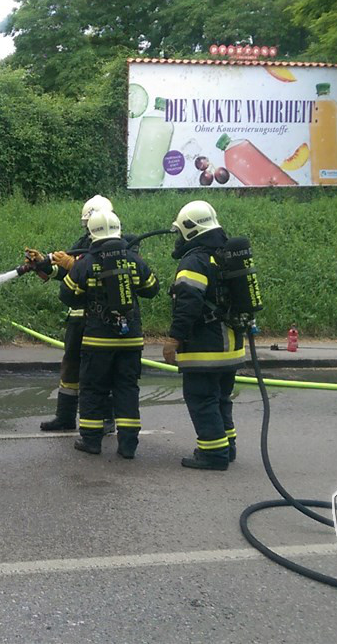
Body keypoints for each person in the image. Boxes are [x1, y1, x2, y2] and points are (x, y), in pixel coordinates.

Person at [53, 209, 159, 457]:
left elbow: (66, 296)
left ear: (91, 233)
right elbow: (152, 289)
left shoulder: (86, 264)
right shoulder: (134, 260)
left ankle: (91, 441)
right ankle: (128, 445)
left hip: (97, 340)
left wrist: (88, 296)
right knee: (127, 389)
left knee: (93, 388)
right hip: (131, 339)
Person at [163, 200, 246, 470]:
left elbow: (188, 303)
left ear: (190, 229)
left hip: (206, 346)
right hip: (231, 346)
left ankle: (213, 454)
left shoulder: (195, 260)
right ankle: (227, 447)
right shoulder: (225, 255)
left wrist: (174, 338)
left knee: (201, 398)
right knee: (220, 398)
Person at [28, 194, 117, 433]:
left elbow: (97, 276)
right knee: (70, 367)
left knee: (100, 371)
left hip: (100, 320)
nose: (88, 229)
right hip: (77, 319)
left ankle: (107, 418)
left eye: (90, 223)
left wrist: (72, 265)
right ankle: (65, 416)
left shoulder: (118, 246)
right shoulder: (85, 241)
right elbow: (65, 273)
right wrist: (43, 264)